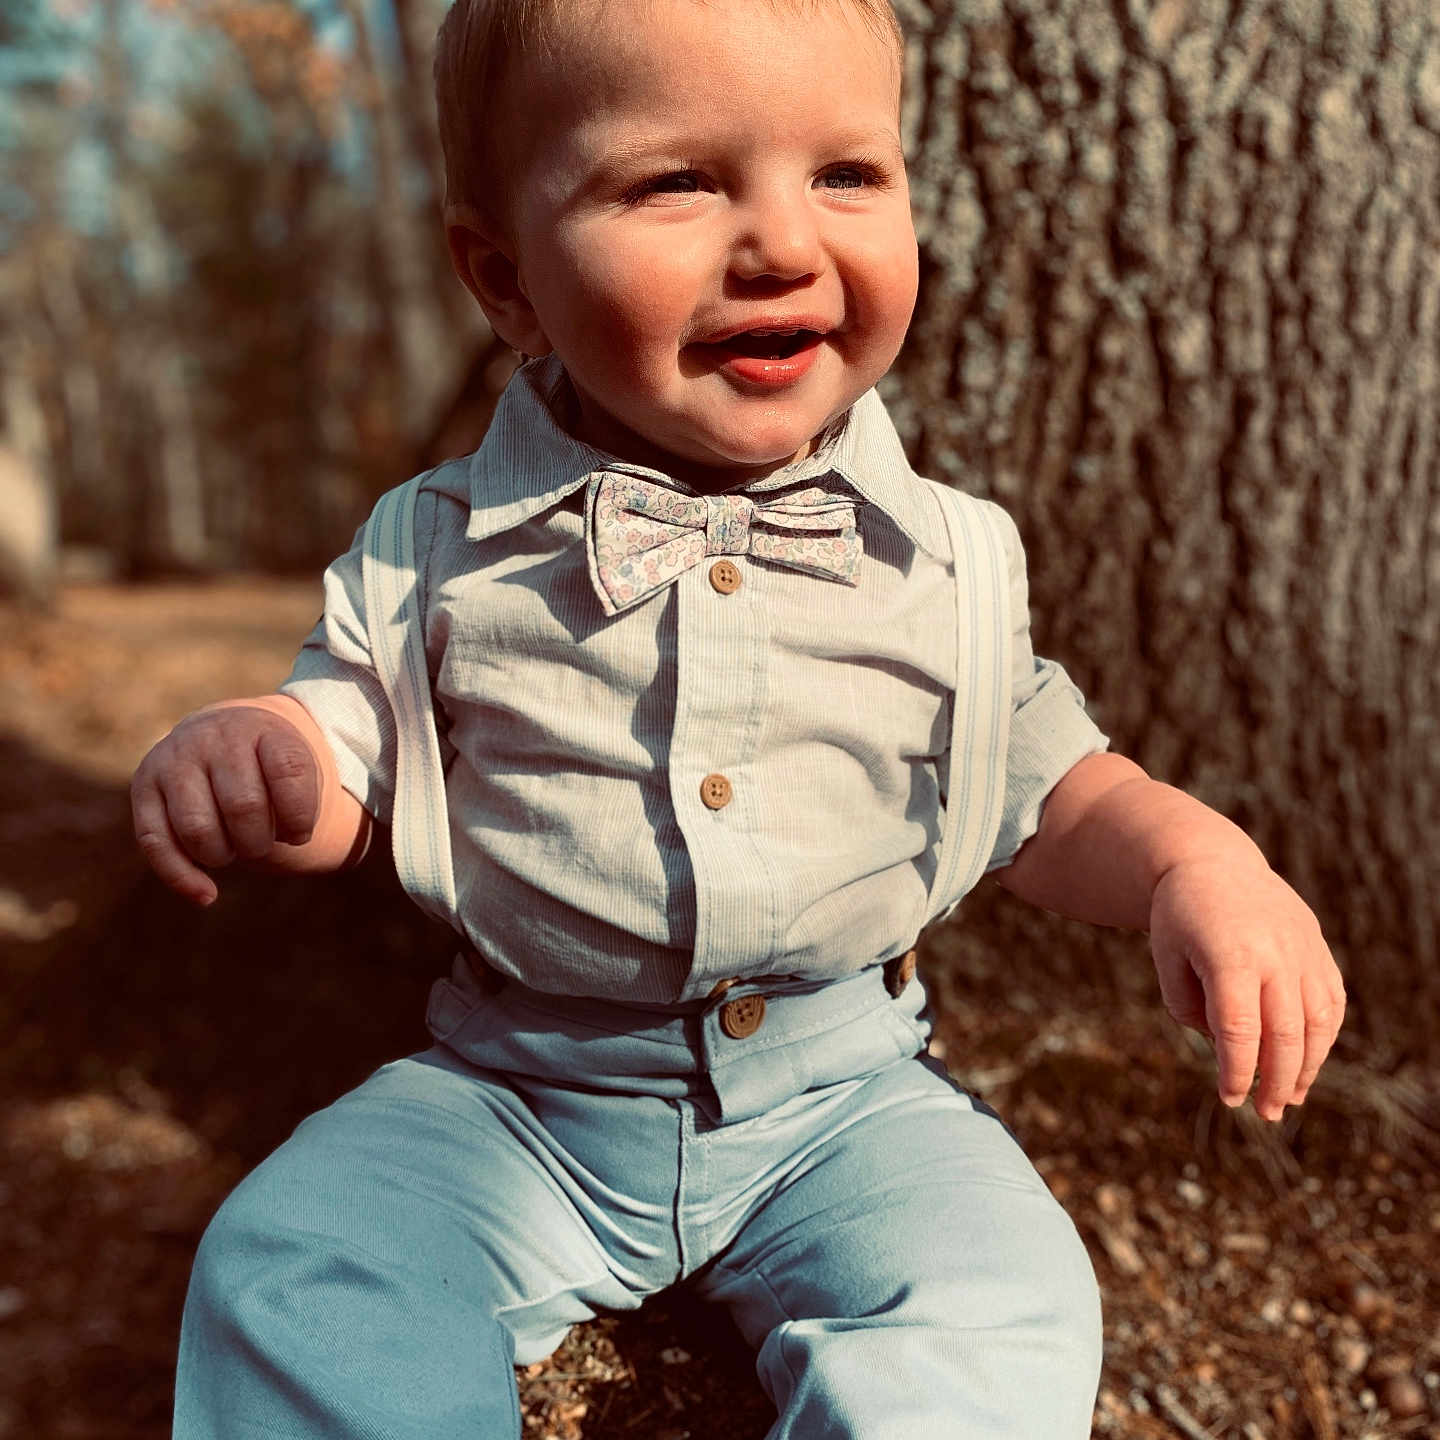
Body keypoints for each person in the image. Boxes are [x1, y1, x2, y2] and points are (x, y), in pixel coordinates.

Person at [130, 0, 1346, 1433]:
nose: (780, 243)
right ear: (504, 277)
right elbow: (351, 753)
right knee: (292, 1266)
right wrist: (269, 760)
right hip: (515, 1097)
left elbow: (1046, 782)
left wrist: (1195, 865)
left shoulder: (939, 558)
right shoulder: (439, 548)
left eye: (846, 175)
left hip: (848, 1103)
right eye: (678, 182)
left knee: (1002, 1296)